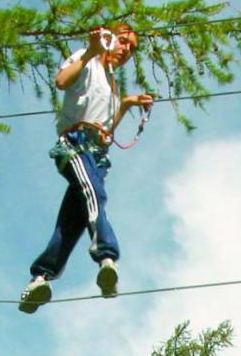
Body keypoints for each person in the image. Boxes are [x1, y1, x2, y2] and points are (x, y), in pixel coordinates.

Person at [19, 23, 153, 313]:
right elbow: (61, 81)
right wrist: (91, 50)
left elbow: (106, 134)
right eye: (123, 41)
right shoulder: (87, 59)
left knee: (72, 222)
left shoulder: (113, 83)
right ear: (109, 39)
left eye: (132, 48)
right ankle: (106, 255)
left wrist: (126, 104)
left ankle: (40, 278)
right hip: (75, 144)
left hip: (97, 155)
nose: (126, 49)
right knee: (96, 196)